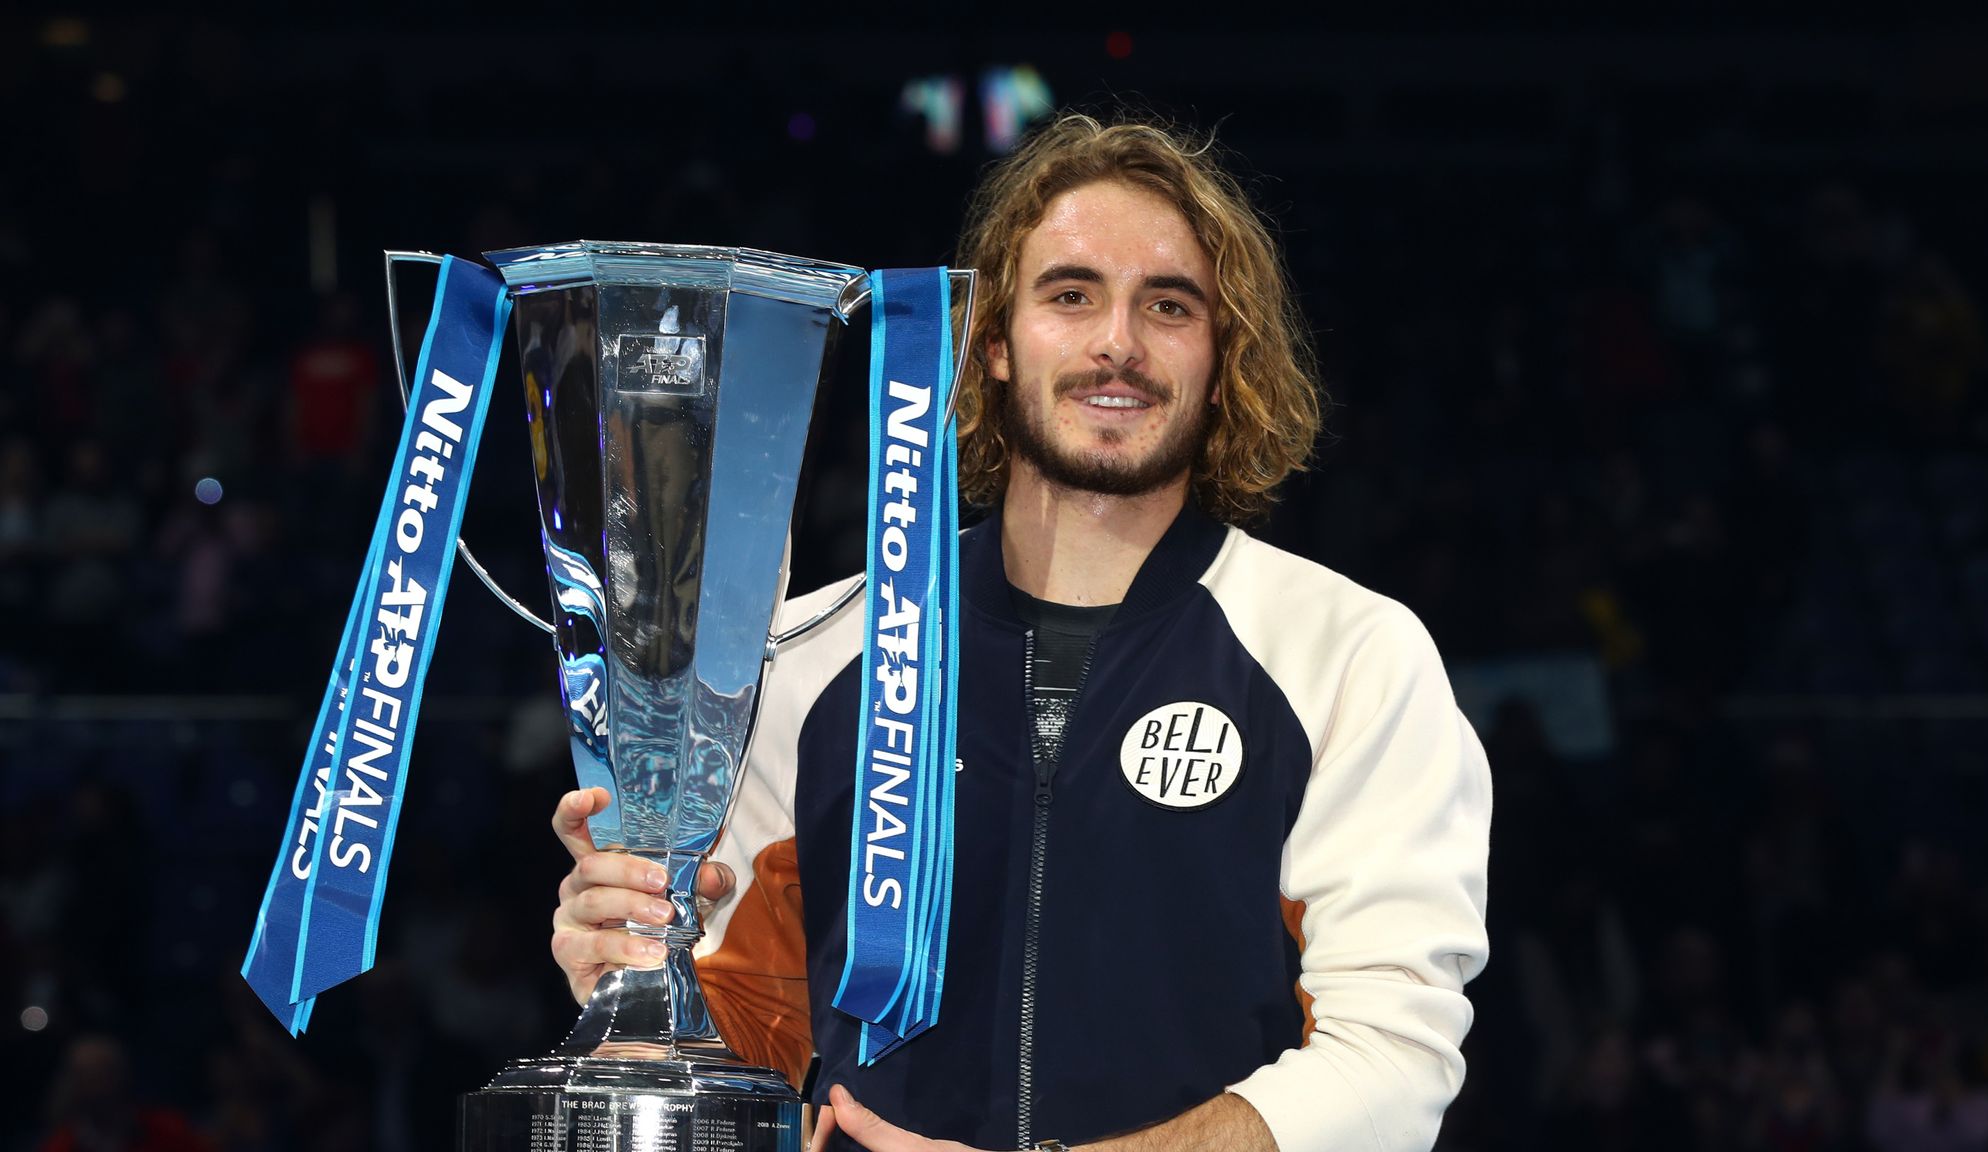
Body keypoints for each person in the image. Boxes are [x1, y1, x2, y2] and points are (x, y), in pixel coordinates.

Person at [549, 112, 1492, 1152]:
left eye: (1168, 305)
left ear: (1224, 357)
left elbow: (1392, 1064)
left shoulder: (1346, 658)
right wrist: (630, 983)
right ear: (993, 343)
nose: (1117, 342)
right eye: (1070, 294)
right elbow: (746, 1036)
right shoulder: (809, 659)